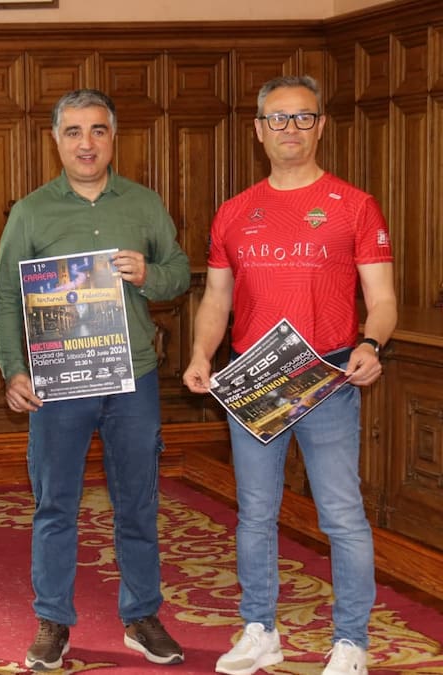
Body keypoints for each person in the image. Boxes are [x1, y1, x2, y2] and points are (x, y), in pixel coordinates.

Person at [182, 74, 397, 675]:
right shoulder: (234, 212)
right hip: (256, 379)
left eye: (304, 117)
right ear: (258, 130)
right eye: (278, 119)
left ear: (321, 125)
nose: (291, 130)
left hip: (328, 375)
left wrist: (372, 343)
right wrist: (202, 354)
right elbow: (217, 300)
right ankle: (260, 631)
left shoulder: (355, 205)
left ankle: (351, 640)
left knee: (341, 515)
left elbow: (382, 298)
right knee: (255, 513)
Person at [0, 88, 190, 670]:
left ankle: (142, 616)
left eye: (97, 130)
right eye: (74, 131)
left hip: (133, 378)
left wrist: (151, 273)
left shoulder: (144, 204)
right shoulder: (30, 213)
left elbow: (179, 273)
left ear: (113, 137)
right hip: (59, 383)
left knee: (138, 501)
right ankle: (53, 620)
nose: (86, 143)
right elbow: (5, 298)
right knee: (56, 504)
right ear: (55, 140)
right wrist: (14, 368)